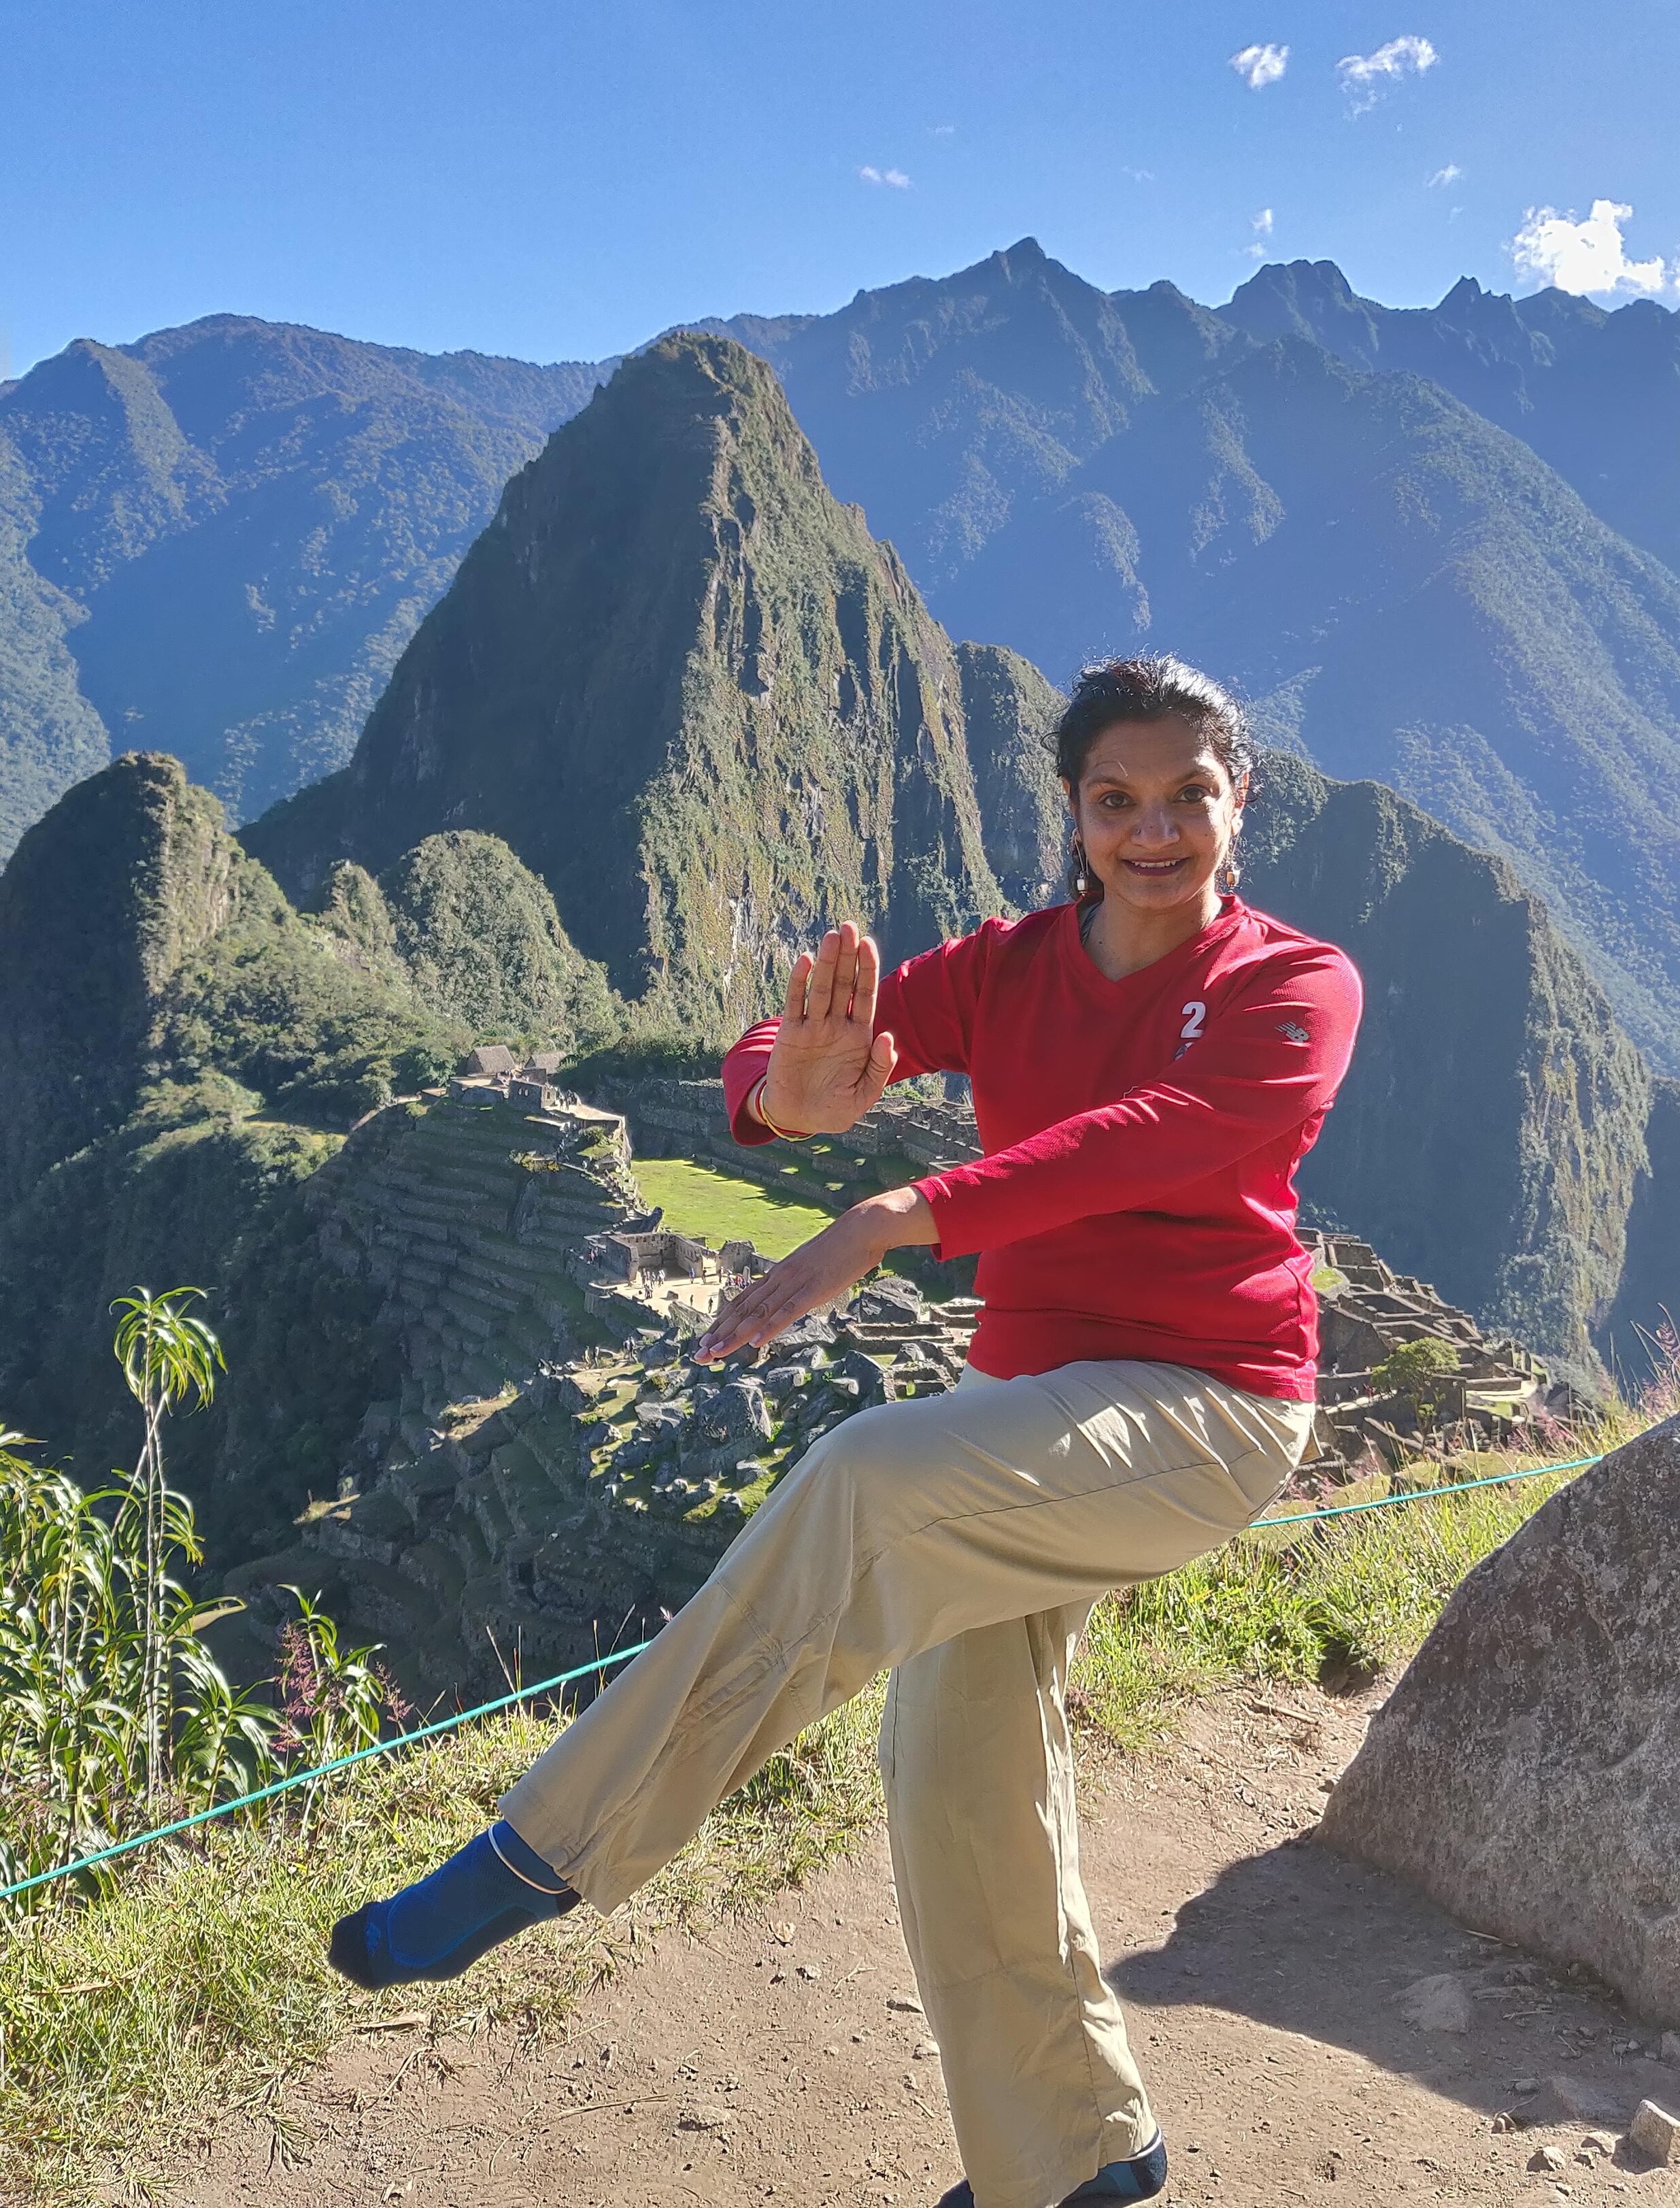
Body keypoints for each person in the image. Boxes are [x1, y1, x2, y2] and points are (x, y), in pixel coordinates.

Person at [330, 655, 1363, 2208]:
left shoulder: (1294, 980)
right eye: (1115, 800)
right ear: (1074, 814)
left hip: (1202, 1406)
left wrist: (900, 1208)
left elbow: (1166, 1132)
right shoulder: (1013, 964)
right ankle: (1074, 2158)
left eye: (1185, 797)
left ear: (1239, 800)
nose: (1153, 831)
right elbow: (790, 1046)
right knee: (959, 1776)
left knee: (863, 1472)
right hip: (1024, 1412)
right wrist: (789, 1097)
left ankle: (545, 1847)